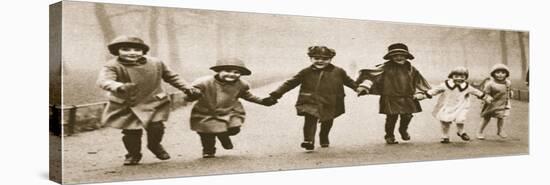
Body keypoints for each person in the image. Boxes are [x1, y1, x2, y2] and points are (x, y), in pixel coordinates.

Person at [97, 35, 200, 165]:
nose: (132, 53)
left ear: (143, 51)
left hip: (154, 101)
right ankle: (133, 154)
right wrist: (119, 86)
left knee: (157, 128)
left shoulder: (156, 63)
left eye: (137, 50)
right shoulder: (112, 66)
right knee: (131, 132)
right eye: (125, 49)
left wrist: (187, 88)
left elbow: (172, 77)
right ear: (117, 51)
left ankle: (154, 145)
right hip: (128, 103)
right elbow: (104, 80)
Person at [265, 46, 368, 151]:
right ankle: (308, 140)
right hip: (310, 99)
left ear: (330, 59)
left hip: (331, 100)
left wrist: (358, 88)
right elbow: (290, 83)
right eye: (316, 58)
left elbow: (349, 82)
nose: (320, 61)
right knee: (310, 118)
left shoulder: (338, 71)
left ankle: (324, 136)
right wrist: (276, 94)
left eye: (324, 59)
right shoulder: (305, 72)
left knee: (327, 120)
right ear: (311, 58)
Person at [186, 58, 275, 158]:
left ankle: (223, 135)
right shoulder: (204, 82)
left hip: (229, 111)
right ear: (219, 71)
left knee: (234, 129)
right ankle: (208, 150)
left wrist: (262, 101)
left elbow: (248, 96)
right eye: (227, 71)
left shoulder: (241, 84)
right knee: (206, 133)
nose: (232, 74)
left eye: (236, 72)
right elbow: (189, 95)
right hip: (206, 111)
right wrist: (192, 94)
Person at [356, 43, 431, 144]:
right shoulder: (385, 67)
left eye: (402, 55)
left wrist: (421, 92)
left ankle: (403, 130)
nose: (399, 57)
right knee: (391, 117)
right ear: (390, 57)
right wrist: (365, 86)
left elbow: (418, 82)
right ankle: (389, 136)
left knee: (407, 116)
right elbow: (371, 75)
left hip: (407, 96)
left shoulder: (411, 68)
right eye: (395, 55)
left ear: (406, 56)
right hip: (390, 96)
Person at [419, 67, 492, 143]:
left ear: (465, 77)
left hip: (461, 106)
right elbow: (435, 90)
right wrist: (424, 95)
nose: (459, 79)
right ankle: (445, 136)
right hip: (447, 105)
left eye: (462, 77)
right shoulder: (446, 85)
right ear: (452, 76)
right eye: (456, 76)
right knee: (445, 121)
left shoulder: (466, 86)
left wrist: (485, 97)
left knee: (460, 119)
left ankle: (461, 132)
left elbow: (476, 92)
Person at [477, 64, 512, 139]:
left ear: (506, 74)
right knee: (486, 118)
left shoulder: (507, 82)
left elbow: (508, 90)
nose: (500, 75)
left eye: (503, 73)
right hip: (491, 103)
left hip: (502, 103)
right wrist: (486, 99)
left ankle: (500, 130)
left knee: (501, 117)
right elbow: (486, 93)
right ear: (493, 74)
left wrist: (510, 94)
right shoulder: (490, 84)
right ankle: (480, 132)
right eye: (498, 72)